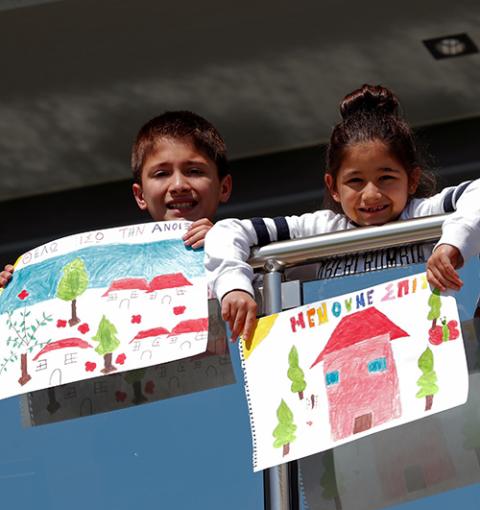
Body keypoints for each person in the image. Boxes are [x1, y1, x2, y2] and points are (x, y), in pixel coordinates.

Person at [204, 84, 480, 342]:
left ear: (412, 179)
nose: (371, 194)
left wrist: (451, 245)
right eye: (356, 181)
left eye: (386, 178)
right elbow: (228, 231)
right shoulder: (321, 228)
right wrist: (235, 286)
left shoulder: (425, 214)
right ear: (333, 187)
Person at [0, 110, 232, 287]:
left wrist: (226, 243)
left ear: (224, 187)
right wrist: (17, 287)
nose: (179, 185)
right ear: (140, 196)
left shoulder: (248, 245)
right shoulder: (116, 265)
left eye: (194, 171)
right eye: (161, 174)